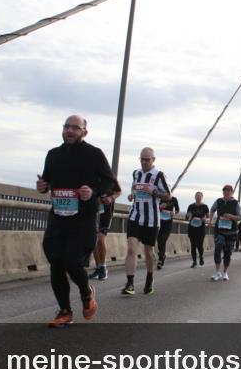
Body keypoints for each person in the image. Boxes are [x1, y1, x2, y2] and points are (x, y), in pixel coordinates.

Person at [37, 115, 116, 328]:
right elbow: (47, 181)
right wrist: (43, 186)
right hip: (58, 219)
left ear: (84, 132)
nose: (70, 131)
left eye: (75, 127)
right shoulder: (53, 154)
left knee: (72, 261)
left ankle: (86, 292)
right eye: (66, 127)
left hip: (84, 220)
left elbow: (110, 183)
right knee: (56, 263)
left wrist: (93, 191)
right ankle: (65, 311)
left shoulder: (94, 154)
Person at [122, 147, 171, 296]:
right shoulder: (136, 173)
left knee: (148, 251)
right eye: (142, 159)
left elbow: (168, 196)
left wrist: (154, 192)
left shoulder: (159, 175)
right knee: (131, 249)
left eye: (147, 159)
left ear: (153, 160)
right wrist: (132, 195)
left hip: (151, 219)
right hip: (135, 216)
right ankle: (130, 284)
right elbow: (134, 188)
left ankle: (149, 278)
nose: (144, 162)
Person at [89, 179, 122, 281]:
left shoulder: (109, 177)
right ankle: (98, 267)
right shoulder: (90, 176)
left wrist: (111, 198)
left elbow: (119, 191)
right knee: (93, 240)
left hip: (106, 214)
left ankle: (103, 267)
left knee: (100, 239)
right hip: (94, 211)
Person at [209, 184, 241, 281]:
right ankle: (217, 272)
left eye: (228, 191)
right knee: (217, 251)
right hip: (219, 231)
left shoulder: (235, 203)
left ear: (232, 192)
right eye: (224, 190)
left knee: (227, 253)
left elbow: (239, 217)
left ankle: (225, 272)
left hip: (231, 232)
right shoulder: (218, 201)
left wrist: (230, 216)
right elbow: (212, 209)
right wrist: (210, 220)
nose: (226, 192)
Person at [185, 192, 210, 268]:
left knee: (199, 245)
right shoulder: (191, 206)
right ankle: (194, 261)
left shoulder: (205, 206)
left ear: (202, 197)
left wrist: (205, 219)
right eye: (197, 196)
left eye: (199, 196)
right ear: (195, 197)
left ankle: (201, 257)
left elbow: (208, 217)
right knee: (193, 245)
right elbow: (186, 217)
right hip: (192, 228)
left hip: (201, 229)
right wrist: (188, 216)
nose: (198, 197)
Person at [156, 195, 180, 269]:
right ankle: (162, 255)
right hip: (159, 221)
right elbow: (154, 208)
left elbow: (177, 210)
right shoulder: (159, 198)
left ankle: (160, 260)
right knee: (159, 240)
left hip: (168, 222)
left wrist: (174, 212)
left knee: (163, 240)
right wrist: (159, 207)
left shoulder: (174, 199)